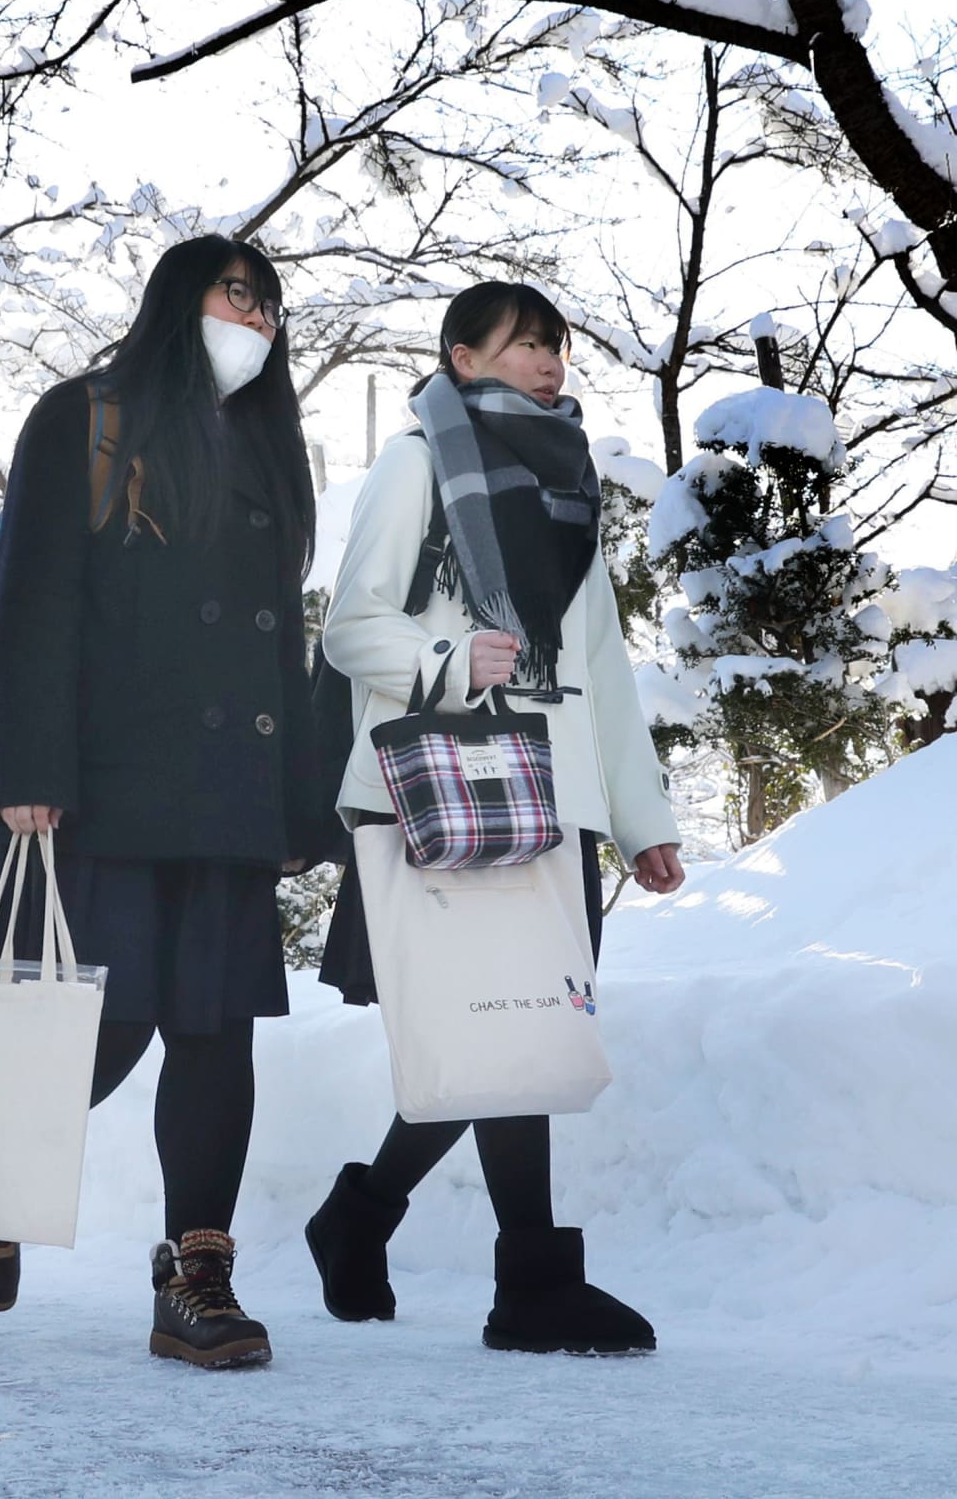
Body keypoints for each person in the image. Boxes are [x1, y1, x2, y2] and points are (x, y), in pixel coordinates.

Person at [0, 234, 322, 1369]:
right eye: (233, 295)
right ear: (175, 302)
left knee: (213, 1027)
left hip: (231, 787)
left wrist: (297, 796)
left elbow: (280, 642)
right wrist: (30, 774)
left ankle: (193, 1272)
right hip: (100, 779)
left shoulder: (267, 440)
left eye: (267, 306)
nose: (252, 320)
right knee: (100, 1014)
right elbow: (37, 601)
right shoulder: (85, 414)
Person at [305, 282, 685, 1355]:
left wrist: (640, 816)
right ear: (462, 356)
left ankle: (365, 1217)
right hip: (453, 785)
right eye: (523, 344)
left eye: (555, 344)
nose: (547, 361)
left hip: (553, 797)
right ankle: (530, 1283)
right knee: (496, 1024)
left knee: (517, 1026)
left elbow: (602, 669)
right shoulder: (417, 462)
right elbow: (349, 626)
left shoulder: (570, 486)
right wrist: (443, 660)